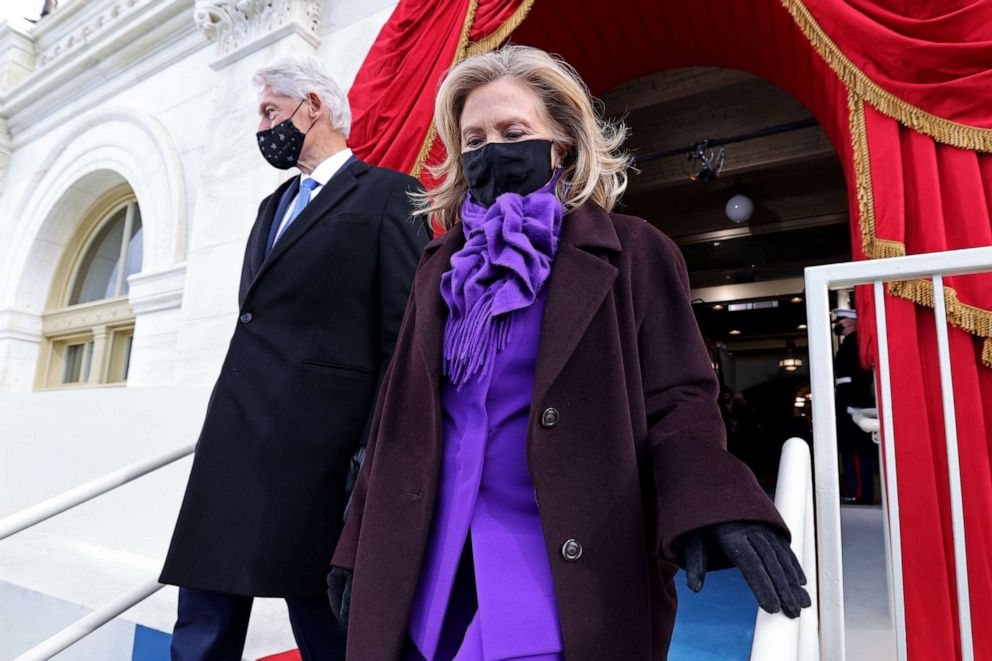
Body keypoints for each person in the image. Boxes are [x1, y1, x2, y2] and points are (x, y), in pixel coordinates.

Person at [327, 46, 810, 660]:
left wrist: (716, 499)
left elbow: (680, 402)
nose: (491, 149)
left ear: (563, 144)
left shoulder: (635, 251)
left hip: (561, 574)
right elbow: (398, 420)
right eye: (473, 138)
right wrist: (357, 545)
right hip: (429, 571)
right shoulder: (439, 266)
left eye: (514, 131)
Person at [159, 54, 429, 660]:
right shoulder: (269, 207)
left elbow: (403, 340)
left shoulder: (389, 194)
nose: (263, 128)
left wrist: (376, 445)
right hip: (235, 441)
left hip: (323, 456)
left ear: (314, 105)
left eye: (270, 111)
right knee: (202, 619)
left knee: (328, 626)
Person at [833, 308, 877, 504]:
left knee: (857, 449)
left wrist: (853, 404)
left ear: (850, 322)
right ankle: (855, 490)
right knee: (850, 449)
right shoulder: (848, 343)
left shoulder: (855, 342)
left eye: (842, 321)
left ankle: (860, 493)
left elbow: (859, 375)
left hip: (853, 398)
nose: (839, 324)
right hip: (847, 397)